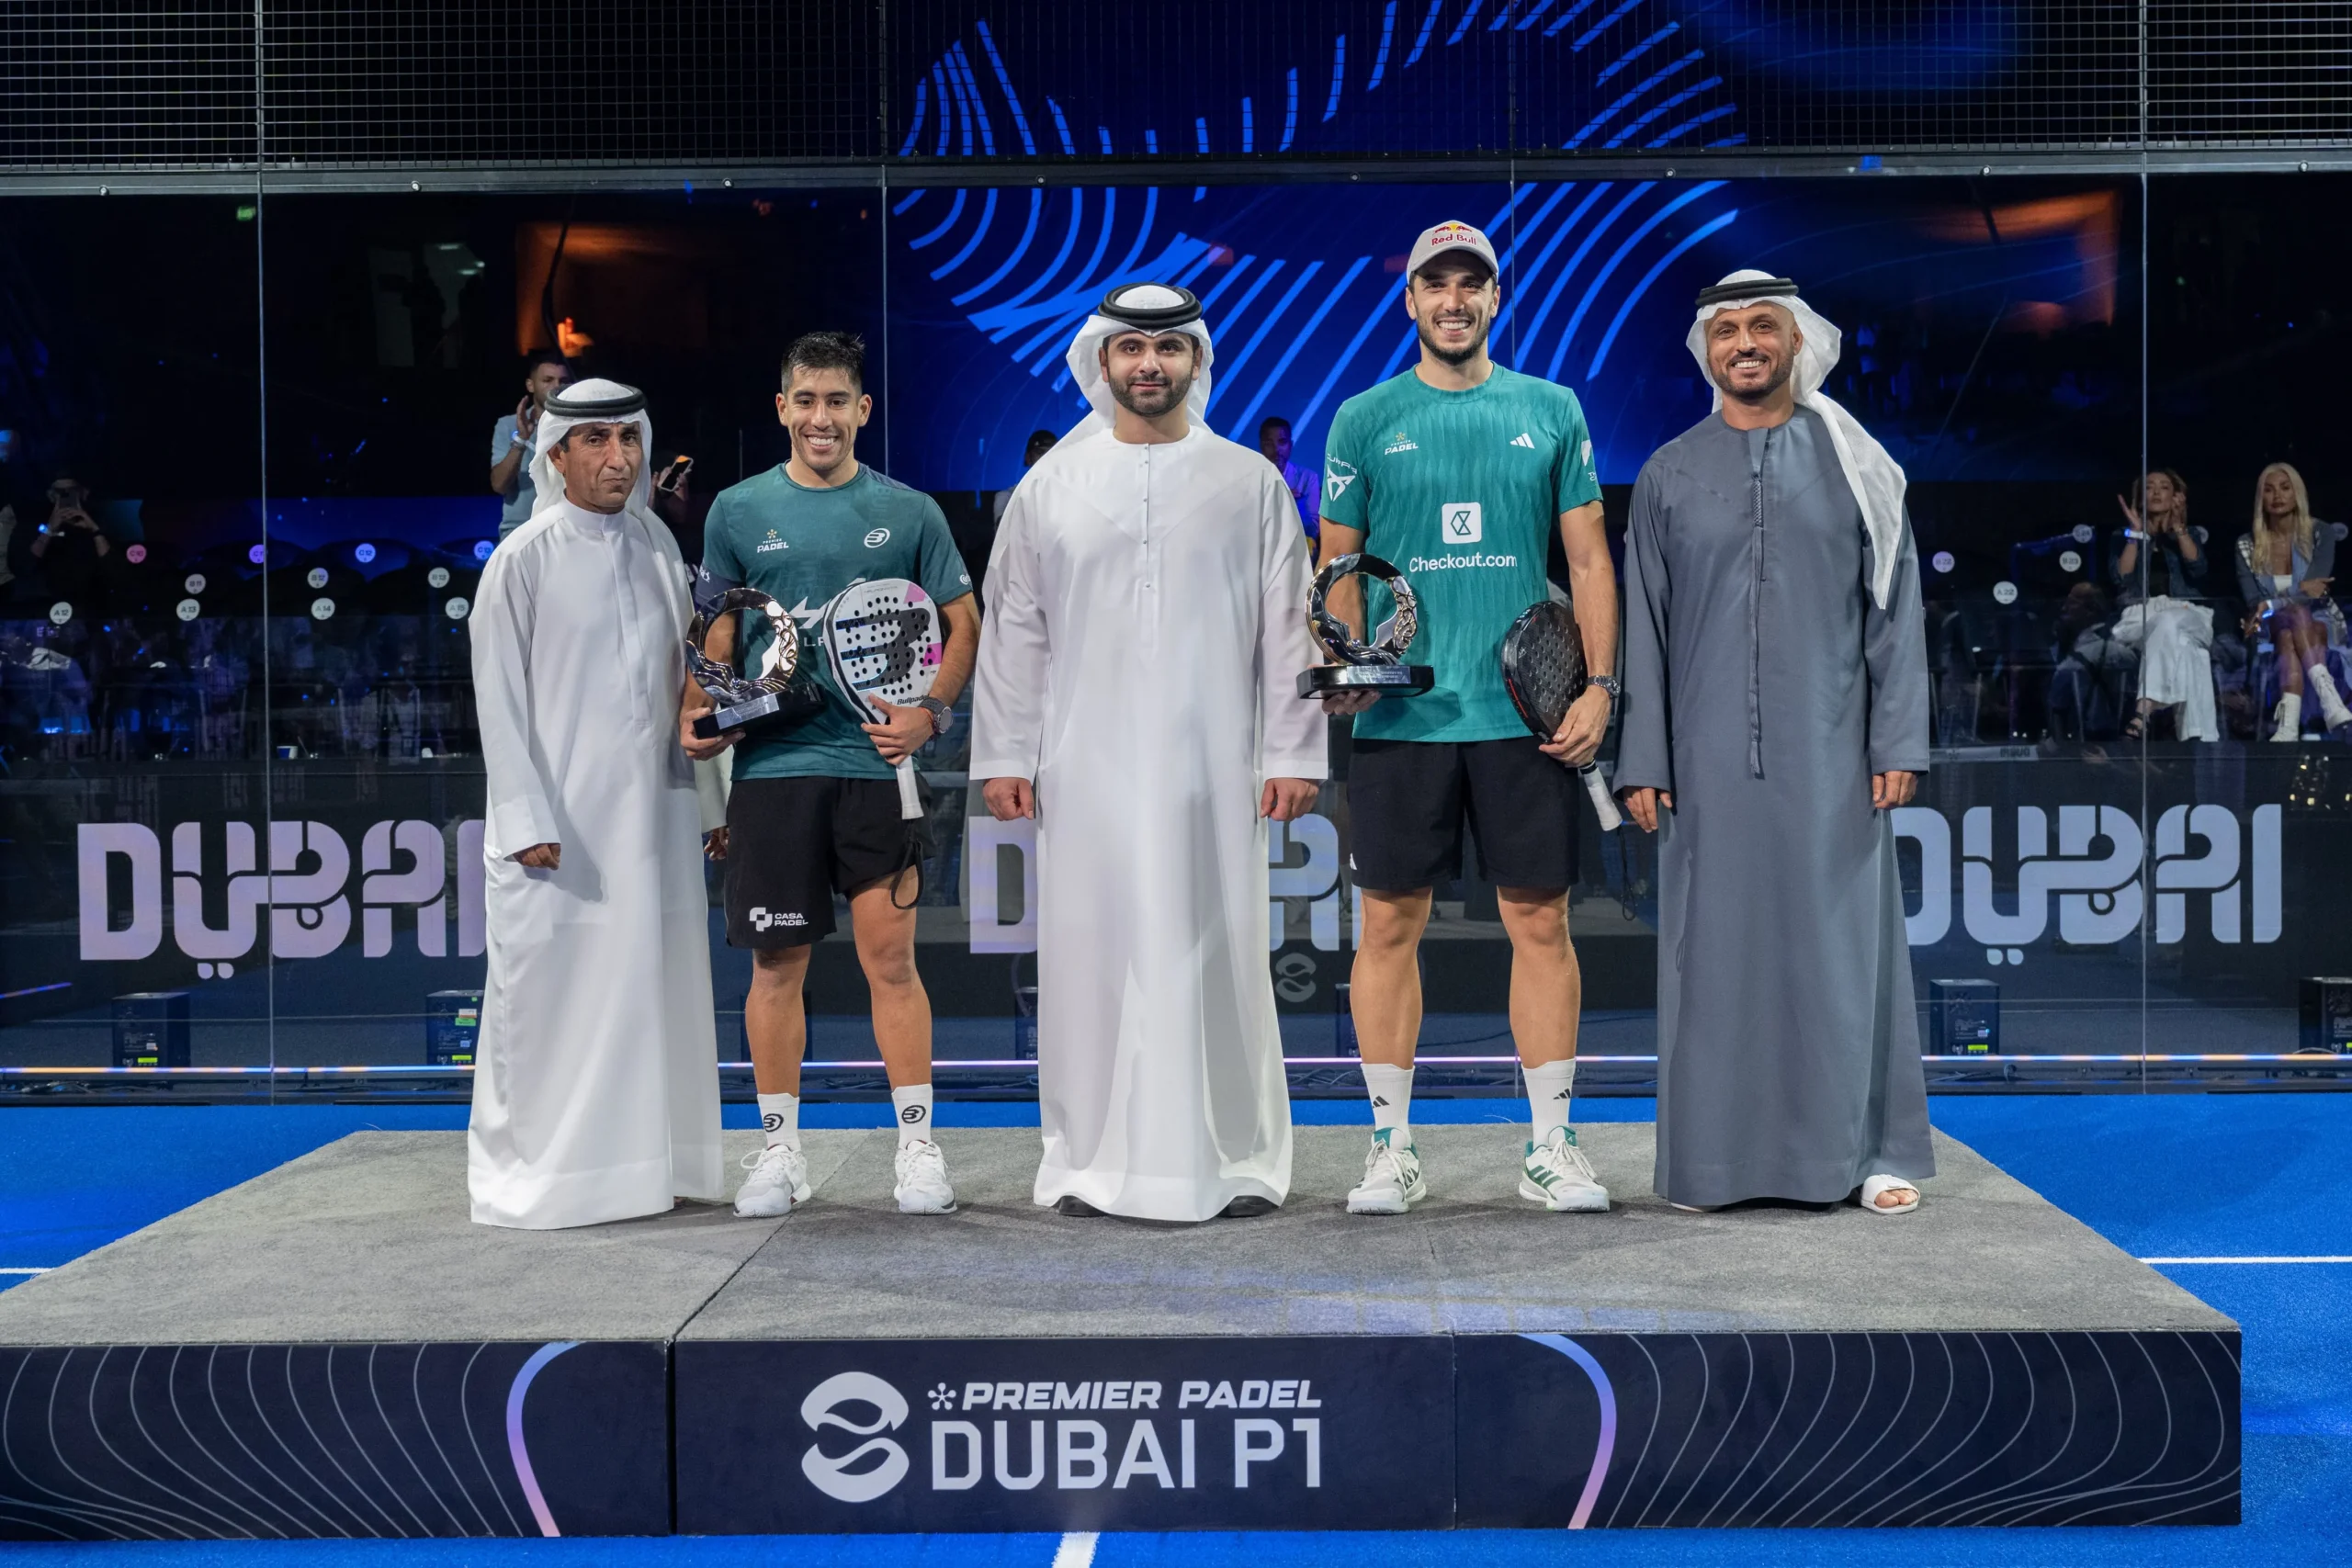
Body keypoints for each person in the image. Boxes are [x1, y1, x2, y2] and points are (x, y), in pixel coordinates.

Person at [970, 283, 1325, 1223]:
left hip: (1218, 766)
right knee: (1089, 962)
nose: (1149, 365)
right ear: (1101, 362)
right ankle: (1088, 1162)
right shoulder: (1049, 488)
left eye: (1168, 349)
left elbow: (1289, 633)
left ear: (1195, 362)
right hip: (1082, 767)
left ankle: (1238, 1158)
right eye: (1131, 349)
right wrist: (1003, 753)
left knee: (1221, 953)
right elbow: (1015, 633)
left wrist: (1293, 751)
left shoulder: (1248, 482)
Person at [1315, 220, 1617, 1217]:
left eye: (1469, 285)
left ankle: (1551, 1148)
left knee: (1539, 920)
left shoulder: (1551, 408)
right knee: (1387, 927)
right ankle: (1390, 1150)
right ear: (1409, 301)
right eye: (1433, 285)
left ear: (1496, 298)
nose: (1452, 300)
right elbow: (1340, 568)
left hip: (1523, 719)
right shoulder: (1362, 418)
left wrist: (1596, 685)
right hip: (1405, 723)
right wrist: (1346, 661)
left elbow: (1586, 563)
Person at [1617, 270, 1933, 1216]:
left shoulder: (1855, 462)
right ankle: (1710, 1166)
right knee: (1709, 962)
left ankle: (1870, 1151)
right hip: (1703, 763)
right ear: (1705, 349)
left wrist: (1898, 740)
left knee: (1844, 953)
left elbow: (1895, 609)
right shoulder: (1670, 470)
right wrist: (1642, 757)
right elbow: (1644, 623)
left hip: (1835, 752)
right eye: (1727, 330)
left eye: (1763, 327)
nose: (1744, 343)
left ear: (1799, 342)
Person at [690, 332, 979, 1219]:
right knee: (775, 963)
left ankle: (918, 1148)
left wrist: (928, 713)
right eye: (804, 399)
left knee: (890, 963)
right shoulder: (736, 512)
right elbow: (719, 636)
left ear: (862, 410)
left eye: (837, 400)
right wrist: (702, 712)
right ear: (782, 409)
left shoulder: (912, 511)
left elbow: (962, 622)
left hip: (875, 772)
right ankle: (779, 1153)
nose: (821, 416)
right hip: (773, 770)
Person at [467, 379, 724, 1229]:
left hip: (656, 817)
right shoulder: (524, 555)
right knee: (554, 1004)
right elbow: (496, 701)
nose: (619, 457)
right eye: (597, 441)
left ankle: (654, 1169)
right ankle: (552, 1180)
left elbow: (690, 688)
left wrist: (714, 804)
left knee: (655, 992)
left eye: (629, 439)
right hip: (560, 831)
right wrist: (525, 819)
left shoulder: (655, 541)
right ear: (558, 455)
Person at [2234, 461, 2347, 739]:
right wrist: (2298, 591)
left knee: (2289, 633)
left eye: (2285, 488)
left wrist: (2275, 601)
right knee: (2291, 616)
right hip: (2266, 624)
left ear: (2297, 493)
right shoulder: (2246, 544)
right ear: (2261, 498)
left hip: (2321, 618)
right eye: (2269, 490)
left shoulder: (2321, 533)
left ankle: (2287, 725)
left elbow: (2315, 594)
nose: (2278, 496)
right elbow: (2253, 599)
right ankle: (2330, 700)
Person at [2108, 468, 2218, 741]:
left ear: (2176, 496)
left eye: (2164, 487)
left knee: (2171, 622)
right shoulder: (2122, 537)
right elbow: (2120, 578)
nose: (2156, 492)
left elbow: (2199, 570)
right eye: (2149, 487)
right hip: (2139, 617)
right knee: (2194, 654)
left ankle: (2143, 711)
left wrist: (2179, 528)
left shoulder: (2189, 532)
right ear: (2140, 497)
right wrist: (2135, 534)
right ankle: (2198, 740)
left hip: (2186, 613)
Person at [489, 350, 571, 540]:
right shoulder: (508, 425)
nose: (556, 387)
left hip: (569, 532)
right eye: (548, 380)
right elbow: (499, 485)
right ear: (530, 385)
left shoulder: (580, 428)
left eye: (563, 381)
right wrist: (521, 440)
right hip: (521, 533)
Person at [28, 472, 112, 607]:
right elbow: (27, 564)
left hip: (92, 602)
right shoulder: (38, 521)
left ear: (83, 493)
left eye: (71, 490)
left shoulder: (99, 520)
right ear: (51, 495)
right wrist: (50, 528)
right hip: (49, 601)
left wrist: (94, 529)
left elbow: (112, 566)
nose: (65, 495)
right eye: (59, 492)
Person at [1258, 416, 1321, 543]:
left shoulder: (1308, 478)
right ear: (1261, 446)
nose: (1276, 450)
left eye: (1282, 442)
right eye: (1269, 444)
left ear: (1290, 445)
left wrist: (1295, 504)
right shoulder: (1250, 478)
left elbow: (1313, 531)